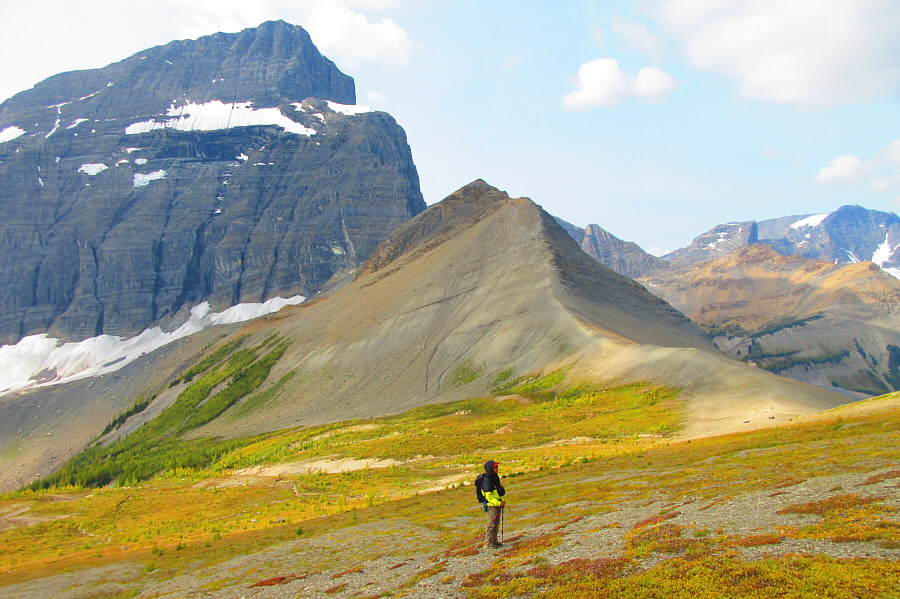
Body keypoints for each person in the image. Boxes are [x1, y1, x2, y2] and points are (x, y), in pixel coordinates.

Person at [481, 460, 506, 548]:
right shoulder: (488, 479)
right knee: (491, 525)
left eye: (497, 467)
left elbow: (498, 492)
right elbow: (489, 496)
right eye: (495, 467)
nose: (497, 469)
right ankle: (488, 543)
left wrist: (501, 502)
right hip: (492, 506)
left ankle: (494, 542)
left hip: (498, 504)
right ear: (491, 468)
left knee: (496, 524)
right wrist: (498, 503)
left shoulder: (495, 477)